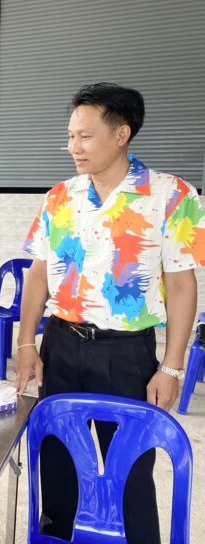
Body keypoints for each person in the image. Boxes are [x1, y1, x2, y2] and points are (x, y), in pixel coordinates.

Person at [16, 82, 205, 544]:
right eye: (70, 136)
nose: (73, 147)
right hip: (61, 345)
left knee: (130, 469)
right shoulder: (59, 197)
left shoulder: (170, 195)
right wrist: (26, 343)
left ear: (122, 135)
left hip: (126, 353)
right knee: (58, 460)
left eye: (85, 136)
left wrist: (172, 368)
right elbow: (38, 274)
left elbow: (183, 285)